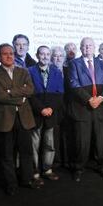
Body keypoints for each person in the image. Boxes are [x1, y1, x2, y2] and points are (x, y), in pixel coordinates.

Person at [0, 44, 38, 195]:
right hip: (4, 120)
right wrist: (19, 98)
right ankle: (11, 184)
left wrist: (10, 91)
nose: (9, 56)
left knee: (26, 151)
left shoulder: (23, 71)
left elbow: (30, 90)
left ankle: (27, 179)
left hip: (24, 118)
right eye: (5, 54)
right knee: (6, 154)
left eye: (11, 53)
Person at [68, 37, 103, 181]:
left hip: (100, 108)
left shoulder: (101, 63)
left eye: (90, 46)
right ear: (80, 48)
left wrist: (100, 99)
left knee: (101, 142)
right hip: (82, 108)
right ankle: (78, 169)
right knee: (82, 142)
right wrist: (88, 99)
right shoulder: (74, 64)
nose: (87, 48)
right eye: (84, 46)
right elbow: (73, 83)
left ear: (94, 48)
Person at [29, 46, 64, 181]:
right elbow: (30, 94)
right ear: (37, 55)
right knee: (34, 144)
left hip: (51, 113)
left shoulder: (56, 71)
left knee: (50, 143)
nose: (45, 56)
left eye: (47, 54)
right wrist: (41, 109)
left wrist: (50, 109)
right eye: (42, 54)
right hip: (36, 113)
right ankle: (35, 171)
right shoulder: (30, 71)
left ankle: (47, 169)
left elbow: (60, 93)